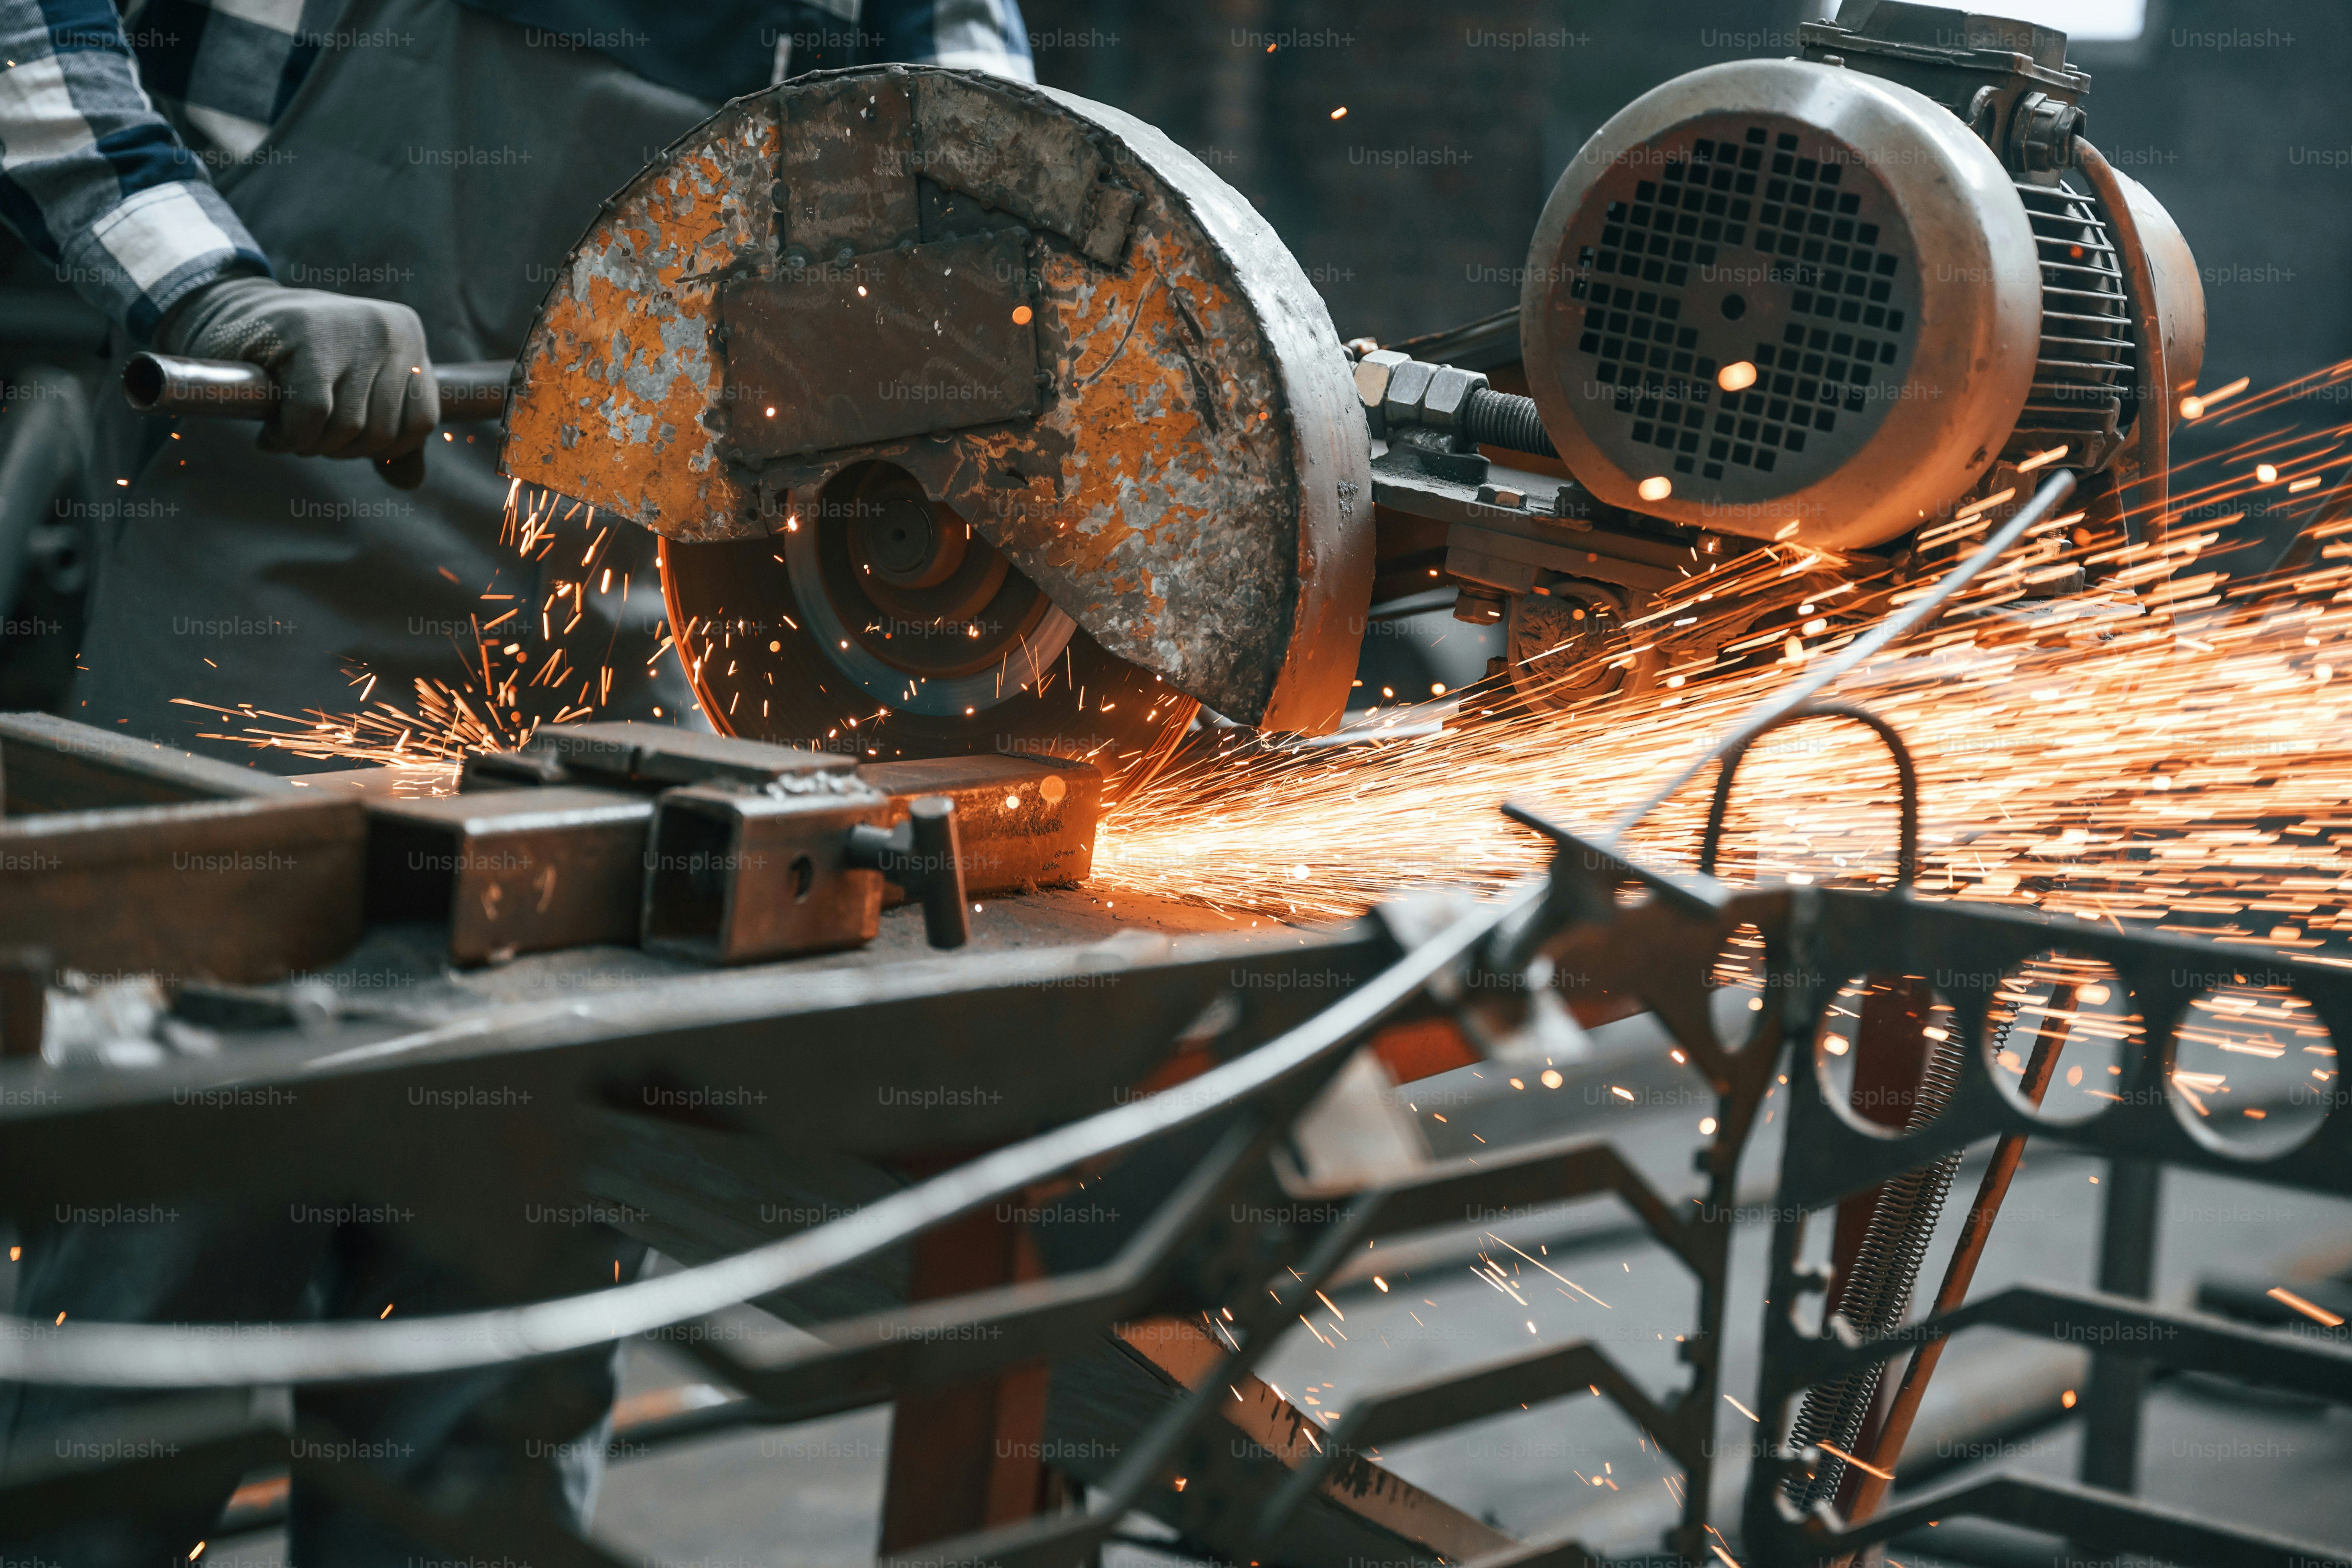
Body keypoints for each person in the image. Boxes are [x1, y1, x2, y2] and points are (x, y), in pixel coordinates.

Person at [0, 2, 1032, 1561]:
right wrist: (205, 284)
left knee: (502, 1328)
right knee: (159, 1286)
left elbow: (963, 83)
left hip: (621, 606)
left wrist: (953, 270)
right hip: (265, 546)